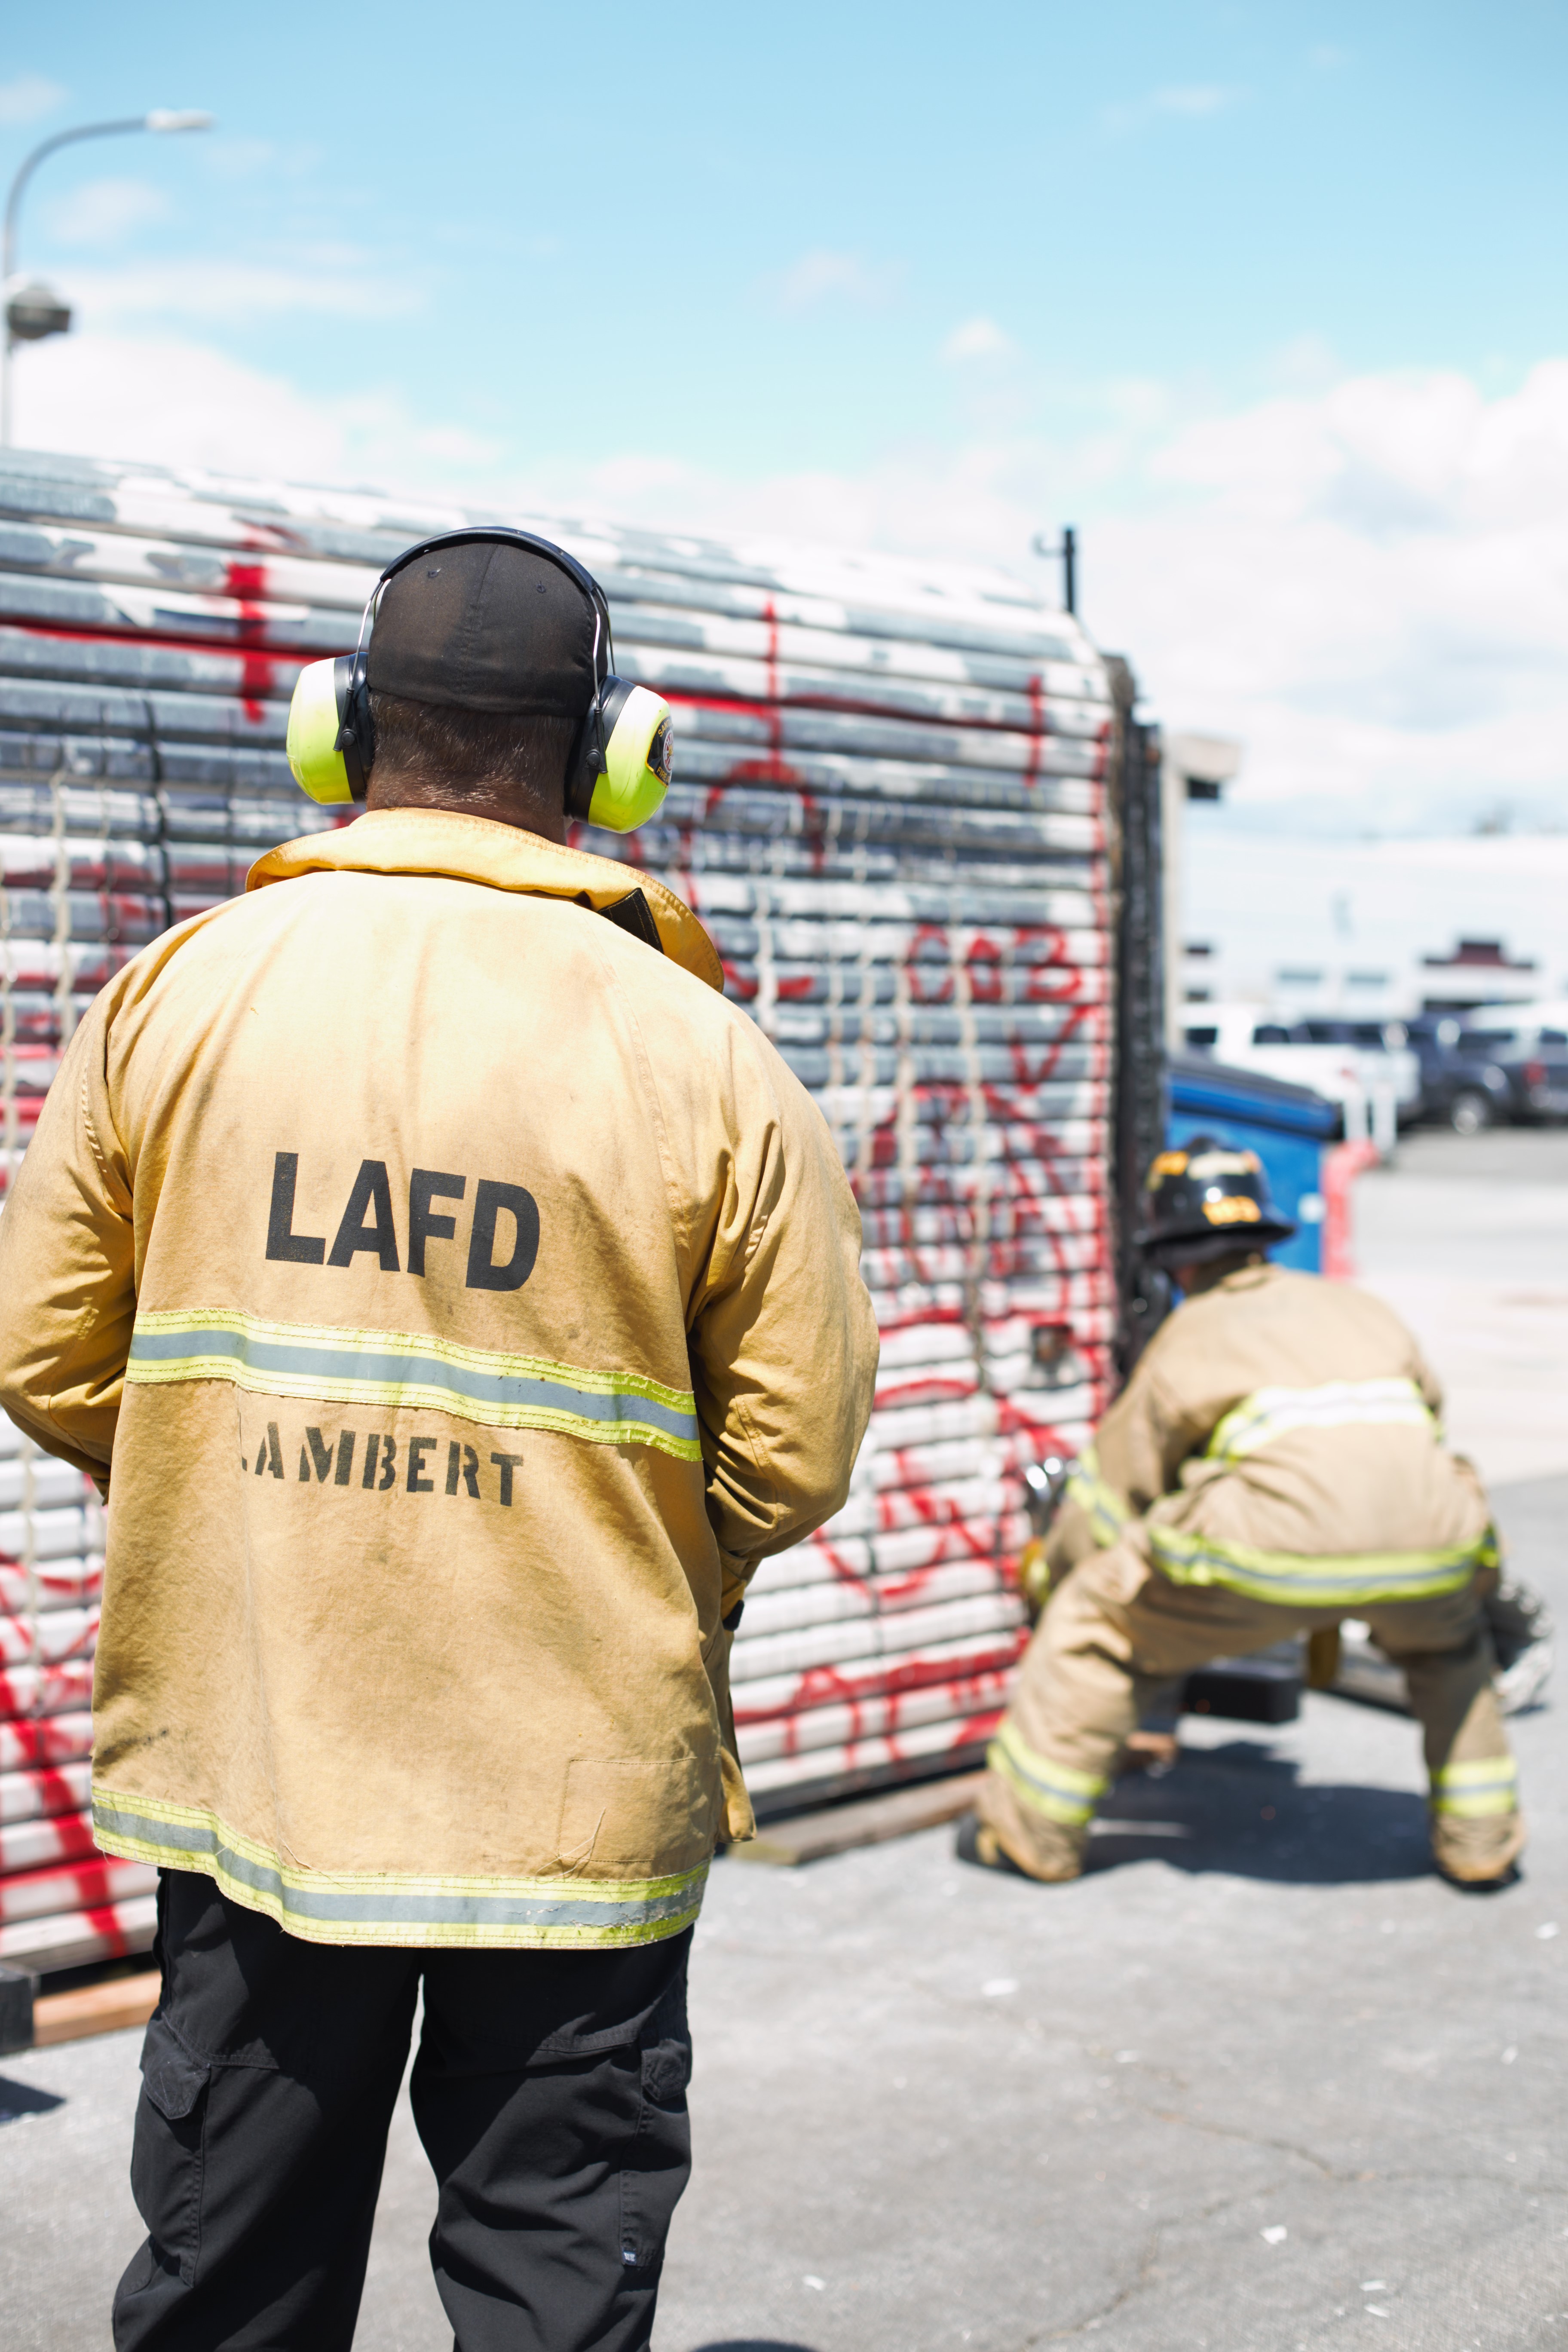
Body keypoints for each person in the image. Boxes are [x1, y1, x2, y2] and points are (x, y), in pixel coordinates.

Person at [0, 530, 878, 2352]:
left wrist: (241, 1490)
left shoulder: (181, 989)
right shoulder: (705, 1054)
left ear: (336, 731)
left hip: (266, 1769)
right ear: (615, 755)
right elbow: (792, 1457)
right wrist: (600, 1544)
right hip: (575, 1804)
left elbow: (39, 1348)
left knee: (232, 2277)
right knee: (552, 2286)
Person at [959, 1136, 1522, 1891]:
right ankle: (1481, 1844)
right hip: (1434, 1546)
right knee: (1451, 1652)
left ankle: (1028, 1835)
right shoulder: (1356, 1307)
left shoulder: (1190, 1336)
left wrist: (1054, 1577)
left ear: (1175, 1259)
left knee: (1095, 1624)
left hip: (1272, 1556)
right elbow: (1422, 1428)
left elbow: (1110, 1495)